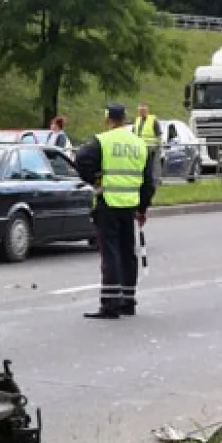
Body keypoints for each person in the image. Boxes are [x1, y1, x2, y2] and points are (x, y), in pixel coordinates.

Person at [74, 103, 156, 319]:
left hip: (108, 202)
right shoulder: (139, 144)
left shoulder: (103, 140)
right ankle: (128, 301)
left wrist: (94, 179)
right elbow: (148, 181)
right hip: (130, 205)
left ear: (109, 119)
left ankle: (110, 304)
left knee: (110, 253)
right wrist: (143, 208)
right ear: (126, 119)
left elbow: (81, 159)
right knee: (128, 253)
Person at [132, 102, 162, 179]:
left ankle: (151, 181)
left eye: (143, 110)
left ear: (147, 110)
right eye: (140, 110)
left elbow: (159, 134)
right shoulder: (137, 120)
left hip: (150, 148)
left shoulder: (153, 120)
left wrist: (157, 147)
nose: (142, 112)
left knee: (149, 169)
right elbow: (133, 133)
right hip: (139, 148)